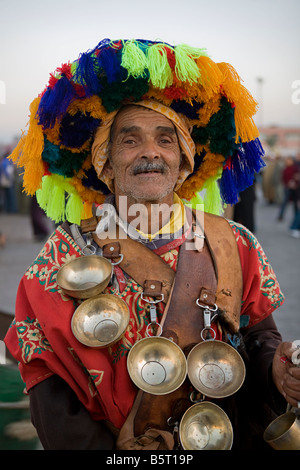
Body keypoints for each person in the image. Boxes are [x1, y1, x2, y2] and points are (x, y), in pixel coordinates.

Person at [4, 38, 300, 451]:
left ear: (183, 161)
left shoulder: (235, 243)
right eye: (130, 140)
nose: (150, 153)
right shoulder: (61, 256)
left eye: (165, 140)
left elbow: (257, 337)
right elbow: (48, 384)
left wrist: (277, 372)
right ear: (105, 161)